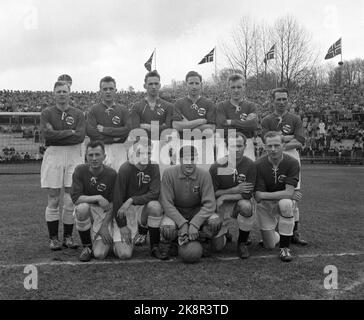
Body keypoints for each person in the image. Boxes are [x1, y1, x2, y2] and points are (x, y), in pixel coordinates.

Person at [40, 81, 86, 250]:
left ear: (69, 93)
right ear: (54, 93)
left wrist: (57, 134)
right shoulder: (47, 113)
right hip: (54, 154)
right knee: (53, 198)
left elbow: (80, 136)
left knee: (70, 199)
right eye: (58, 91)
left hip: (74, 154)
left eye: (64, 91)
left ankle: (68, 237)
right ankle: (53, 238)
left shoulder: (78, 113)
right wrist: (69, 132)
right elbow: (47, 134)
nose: (61, 94)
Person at [261, 88, 307, 246]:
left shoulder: (295, 118)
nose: (281, 102)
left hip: (292, 158)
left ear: (288, 100)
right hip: (272, 158)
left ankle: (294, 232)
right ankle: (272, 231)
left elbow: (300, 141)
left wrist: (281, 142)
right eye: (278, 99)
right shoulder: (266, 120)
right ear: (272, 100)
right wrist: (288, 137)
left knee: (294, 196)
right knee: (273, 194)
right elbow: (266, 141)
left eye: (284, 99)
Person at [160, 145, 223, 259]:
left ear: (197, 159)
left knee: (215, 222)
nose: (189, 163)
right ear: (180, 160)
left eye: (192, 159)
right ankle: (173, 241)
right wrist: (182, 223)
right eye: (186, 159)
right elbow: (166, 204)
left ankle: (203, 240)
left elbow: (210, 204)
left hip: (196, 211)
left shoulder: (204, 175)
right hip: (177, 211)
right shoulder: (168, 173)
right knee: (167, 228)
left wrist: (195, 223)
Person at [112, 138, 168, 260]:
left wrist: (131, 199)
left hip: (141, 208)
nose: (145, 156)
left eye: (148, 153)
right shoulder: (125, 168)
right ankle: (114, 238)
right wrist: (122, 226)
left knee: (155, 206)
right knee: (124, 254)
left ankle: (154, 246)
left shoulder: (153, 167)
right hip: (125, 212)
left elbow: (154, 193)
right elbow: (117, 200)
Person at [255, 131, 302, 262]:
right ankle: (281, 233)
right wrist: (288, 194)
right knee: (269, 245)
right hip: (265, 206)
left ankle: (285, 248)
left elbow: (287, 194)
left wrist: (287, 194)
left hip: (281, 202)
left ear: (283, 145)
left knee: (286, 203)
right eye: (269, 146)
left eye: (277, 145)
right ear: (265, 146)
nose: (273, 149)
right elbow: (258, 197)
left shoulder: (292, 162)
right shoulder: (258, 165)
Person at [209, 132, 256, 259]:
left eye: (239, 145)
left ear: (245, 146)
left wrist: (224, 196)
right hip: (221, 206)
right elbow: (213, 193)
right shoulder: (216, 166)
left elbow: (246, 195)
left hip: (237, 201)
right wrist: (235, 189)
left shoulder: (251, 165)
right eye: (232, 146)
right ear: (226, 146)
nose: (236, 149)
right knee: (217, 248)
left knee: (246, 206)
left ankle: (242, 242)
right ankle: (225, 233)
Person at [71, 140, 118, 262]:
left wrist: (104, 226)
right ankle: (87, 247)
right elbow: (76, 198)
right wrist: (98, 197)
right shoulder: (80, 170)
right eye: (90, 155)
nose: (94, 158)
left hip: (105, 213)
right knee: (82, 208)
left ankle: (109, 236)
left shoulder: (112, 174)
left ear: (104, 156)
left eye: (98, 155)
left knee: (100, 254)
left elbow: (113, 203)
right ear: (86, 157)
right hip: (89, 211)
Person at [129, 70, 174, 178]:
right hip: (143, 146)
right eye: (150, 84)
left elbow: (168, 128)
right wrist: (160, 127)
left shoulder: (168, 106)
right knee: (144, 178)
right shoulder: (137, 106)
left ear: (160, 85)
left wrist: (147, 126)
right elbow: (136, 130)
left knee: (163, 178)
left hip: (162, 146)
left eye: (156, 83)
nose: (153, 86)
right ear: (145, 85)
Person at [171, 71, 216, 170]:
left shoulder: (208, 103)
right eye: (191, 83)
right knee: (183, 176)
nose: (194, 86)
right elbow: (176, 125)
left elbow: (211, 128)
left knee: (205, 175)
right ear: (186, 85)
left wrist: (186, 125)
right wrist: (199, 121)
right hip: (184, 142)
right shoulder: (179, 103)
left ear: (201, 84)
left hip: (204, 143)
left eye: (197, 83)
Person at [86, 76, 130, 171]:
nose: (108, 91)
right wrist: (114, 137)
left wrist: (105, 130)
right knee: (102, 180)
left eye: (111, 89)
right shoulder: (94, 110)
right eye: (105, 89)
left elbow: (127, 130)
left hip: (119, 149)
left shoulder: (123, 109)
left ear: (115, 90)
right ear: (100, 91)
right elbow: (91, 132)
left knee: (120, 179)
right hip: (100, 149)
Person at [216, 74, 259, 161]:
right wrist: (244, 125)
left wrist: (232, 122)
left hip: (246, 144)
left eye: (239, 87)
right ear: (229, 88)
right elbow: (221, 128)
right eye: (233, 87)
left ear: (244, 87)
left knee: (247, 173)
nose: (236, 90)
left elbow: (253, 125)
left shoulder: (251, 106)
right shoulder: (221, 106)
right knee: (224, 173)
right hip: (226, 144)